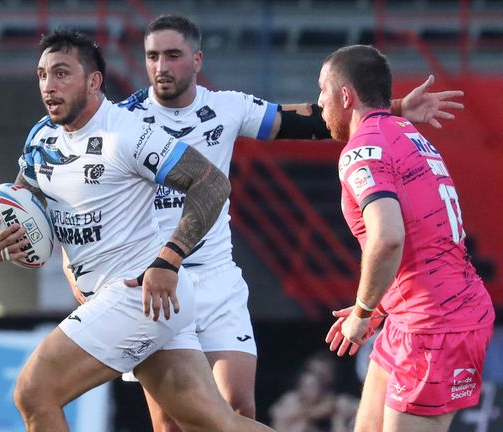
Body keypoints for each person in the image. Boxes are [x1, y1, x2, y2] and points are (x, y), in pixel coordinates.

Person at [47, 14, 465, 432]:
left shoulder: (226, 107)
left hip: (216, 278)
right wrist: (79, 270)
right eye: (152, 56)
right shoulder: (122, 120)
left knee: (237, 409)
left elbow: (311, 120)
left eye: (173, 55)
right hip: (157, 282)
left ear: (196, 60)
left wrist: (390, 108)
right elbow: (82, 200)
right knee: (172, 424)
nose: (161, 66)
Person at [0, 29, 275, 432]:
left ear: (94, 80)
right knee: (215, 424)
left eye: (62, 73)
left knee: (33, 392)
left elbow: (212, 183)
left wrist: (168, 260)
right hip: (130, 301)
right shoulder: (41, 137)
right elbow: (18, 200)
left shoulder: (127, 132)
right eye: (42, 75)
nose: (49, 86)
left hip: (138, 295)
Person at [320, 45, 495, 432]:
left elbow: (388, 238)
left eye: (322, 91)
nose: (318, 103)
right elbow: (422, 236)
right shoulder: (408, 134)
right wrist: (380, 308)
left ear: (345, 96)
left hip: (437, 323)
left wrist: (363, 311)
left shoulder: (360, 151)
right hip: (410, 315)